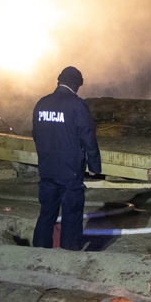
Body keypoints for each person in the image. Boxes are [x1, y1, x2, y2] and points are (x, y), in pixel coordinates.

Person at [32, 66, 102, 251]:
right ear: (76, 85)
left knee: (46, 214)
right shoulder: (77, 105)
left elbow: (36, 135)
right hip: (70, 172)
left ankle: (38, 252)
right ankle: (69, 255)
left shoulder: (41, 103)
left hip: (47, 170)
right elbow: (88, 136)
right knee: (71, 215)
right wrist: (94, 165)